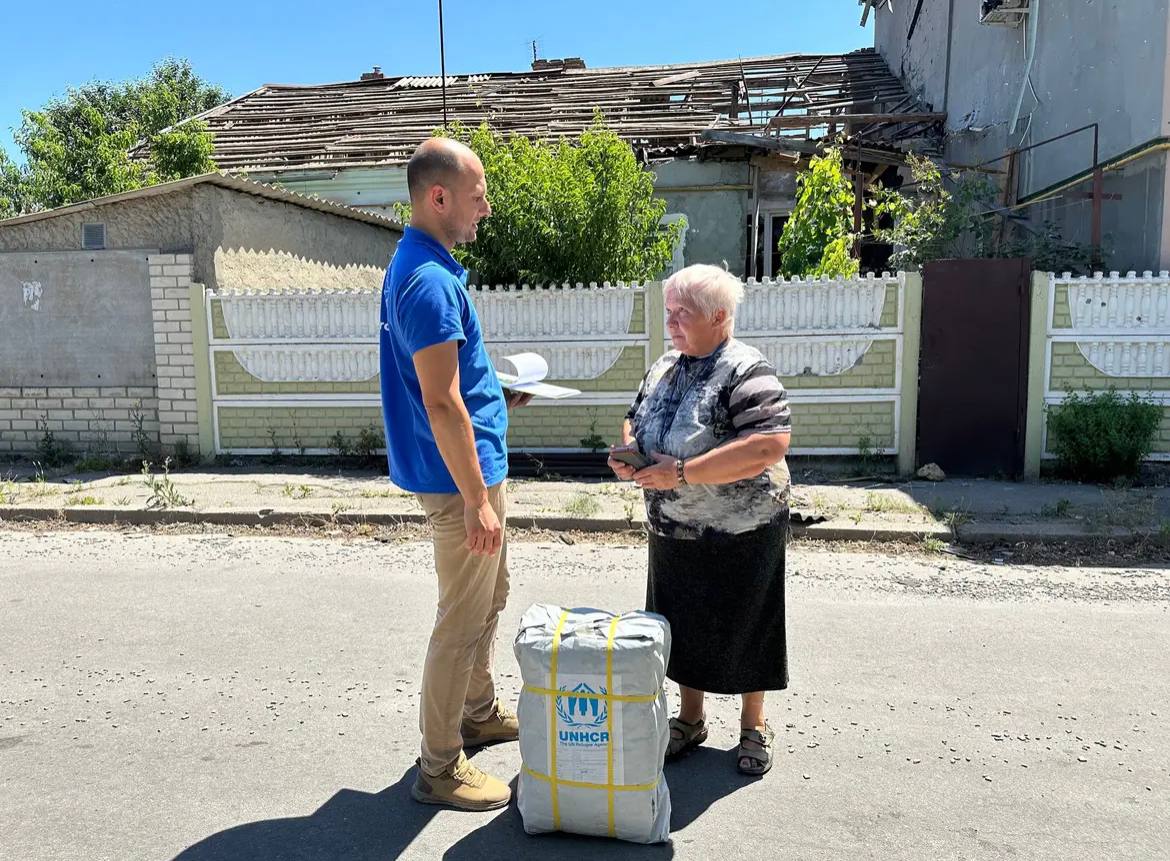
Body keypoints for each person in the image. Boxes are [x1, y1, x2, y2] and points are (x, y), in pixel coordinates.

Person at [380, 137, 531, 810]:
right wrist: (476, 500)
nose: (486, 209)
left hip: (468, 473)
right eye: (477, 197)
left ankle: (477, 710)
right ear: (437, 197)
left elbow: (448, 380)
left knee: (489, 600)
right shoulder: (428, 282)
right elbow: (439, 400)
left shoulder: (426, 267)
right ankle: (440, 765)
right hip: (458, 483)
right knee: (460, 620)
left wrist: (497, 391)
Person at [608, 263, 792, 776]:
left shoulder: (746, 367)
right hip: (673, 525)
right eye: (668, 312)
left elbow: (768, 444)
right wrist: (630, 450)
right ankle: (691, 719)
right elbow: (636, 411)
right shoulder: (665, 365)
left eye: (681, 314)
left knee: (748, 623)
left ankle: (753, 726)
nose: (671, 323)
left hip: (743, 527)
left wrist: (684, 472)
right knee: (681, 623)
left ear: (718, 316)